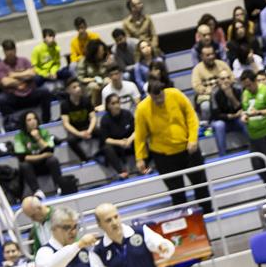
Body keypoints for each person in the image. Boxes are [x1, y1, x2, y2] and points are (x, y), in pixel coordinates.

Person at [134, 82, 212, 216]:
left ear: (164, 91)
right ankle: (183, 221)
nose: (159, 100)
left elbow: (191, 117)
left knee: (201, 185)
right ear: (150, 95)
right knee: (177, 193)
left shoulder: (176, 95)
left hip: (188, 150)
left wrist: (193, 139)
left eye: (161, 96)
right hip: (164, 156)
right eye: (155, 98)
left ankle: (208, 214)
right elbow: (140, 135)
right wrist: (140, 157)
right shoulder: (142, 108)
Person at [0, 39, 52, 130]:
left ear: (15, 49)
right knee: (1, 99)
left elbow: (32, 73)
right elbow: (5, 82)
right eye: (7, 50)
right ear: (4, 51)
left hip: (29, 94)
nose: (10, 52)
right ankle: (12, 125)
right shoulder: (0, 65)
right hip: (14, 97)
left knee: (45, 92)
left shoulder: (24, 60)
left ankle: (46, 121)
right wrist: (23, 77)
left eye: (11, 49)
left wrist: (14, 75)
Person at [239, 69, 266, 185]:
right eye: (245, 86)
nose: (247, 88)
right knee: (257, 165)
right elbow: (245, 110)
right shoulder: (245, 93)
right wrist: (244, 116)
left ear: (255, 81)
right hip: (254, 136)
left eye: (249, 85)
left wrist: (259, 112)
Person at [13, 110, 63, 199]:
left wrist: (38, 138)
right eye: (29, 120)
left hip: (45, 165)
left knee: (53, 160)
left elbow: (50, 151)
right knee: (24, 165)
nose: (33, 121)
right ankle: (37, 191)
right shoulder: (19, 137)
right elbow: (22, 157)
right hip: (31, 169)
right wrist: (43, 156)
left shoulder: (44, 132)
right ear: (24, 123)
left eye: (34, 119)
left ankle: (59, 186)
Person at [209, 71, 249, 156]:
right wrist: (231, 116)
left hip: (236, 119)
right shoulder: (214, 93)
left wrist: (231, 96)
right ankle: (222, 156)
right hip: (222, 120)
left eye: (228, 78)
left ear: (231, 79)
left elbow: (242, 108)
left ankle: (254, 147)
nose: (226, 81)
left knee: (244, 119)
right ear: (218, 81)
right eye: (223, 79)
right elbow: (215, 115)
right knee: (219, 125)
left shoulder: (238, 89)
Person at [191, 44, 232, 127]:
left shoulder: (222, 64)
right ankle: (206, 126)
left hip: (223, 94)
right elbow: (196, 86)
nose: (211, 57)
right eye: (208, 55)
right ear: (202, 57)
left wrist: (224, 86)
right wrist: (208, 91)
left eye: (212, 54)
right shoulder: (197, 69)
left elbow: (232, 78)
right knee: (205, 106)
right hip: (207, 96)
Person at [60, 77, 97, 164]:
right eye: (74, 87)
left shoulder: (86, 100)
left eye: (78, 86)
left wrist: (89, 131)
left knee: (102, 132)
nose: (78, 89)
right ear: (68, 90)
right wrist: (79, 134)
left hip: (87, 127)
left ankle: (102, 152)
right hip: (75, 130)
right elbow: (66, 124)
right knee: (70, 140)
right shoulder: (64, 104)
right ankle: (84, 159)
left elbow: (93, 118)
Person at [98, 93, 135, 179]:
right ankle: (122, 172)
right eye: (113, 103)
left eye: (118, 102)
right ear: (108, 106)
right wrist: (120, 142)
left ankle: (144, 166)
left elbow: (136, 130)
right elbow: (106, 139)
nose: (116, 105)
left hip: (129, 141)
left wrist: (129, 140)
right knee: (107, 148)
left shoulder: (127, 114)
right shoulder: (105, 119)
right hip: (116, 145)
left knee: (141, 139)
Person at [76, 39, 110, 107]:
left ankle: (109, 103)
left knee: (108, 82)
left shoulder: (105, 58)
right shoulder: (84, 61)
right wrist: (94, 79)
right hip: (88, 84)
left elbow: (108, 72)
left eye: (103, 50)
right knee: (95, 87)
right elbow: (80, 78)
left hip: (102, 80)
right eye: (100, 51)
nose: (102, 52)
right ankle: (94, 106)